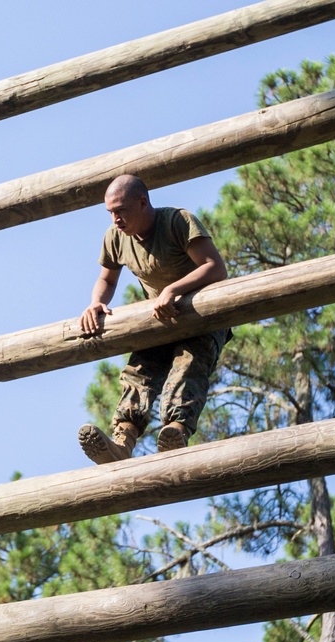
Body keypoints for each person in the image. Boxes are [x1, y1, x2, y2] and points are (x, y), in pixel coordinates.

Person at [78, 174, 229, 464]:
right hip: (160, 319)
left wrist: (173, 289)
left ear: (143, 202)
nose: (115, 219)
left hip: (202, 315)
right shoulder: (116, 237)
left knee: (188, 369)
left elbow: (215, 268)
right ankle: (122, 440)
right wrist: (96, 303)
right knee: (140, 373)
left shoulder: (177, 222)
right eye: (110, 212)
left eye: (120, 210)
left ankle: (176, 432)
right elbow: (107, 279)